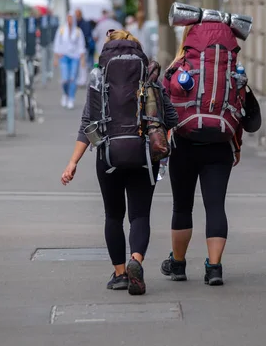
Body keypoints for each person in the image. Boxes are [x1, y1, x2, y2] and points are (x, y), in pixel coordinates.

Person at [61, 30, 178, 296]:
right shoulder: (149, 76)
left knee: (113, 216)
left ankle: (120, 274)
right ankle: (136, 259)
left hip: (108, 155)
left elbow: (87, 124)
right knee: (139, 215)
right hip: (143, 155)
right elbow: (170, 116)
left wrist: (72, 163)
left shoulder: (99, 77)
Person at [160, 22, 245, 287]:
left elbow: (164, 107)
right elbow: (240, 109)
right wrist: (236, 144)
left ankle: (178, 264)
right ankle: (215, 267)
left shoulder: (178, 68)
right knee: (215, 206)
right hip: (220, 144)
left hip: (184, 145)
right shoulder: (231, 70)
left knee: (182, 206)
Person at [53, 12, 85, 109]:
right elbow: (57, 43)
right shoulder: (62, 30)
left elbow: (81, 45)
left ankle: (71, 97)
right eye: (68, 18)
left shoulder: (78, 31)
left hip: (75, 57)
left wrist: (82, 59)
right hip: (64, 56)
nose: (70, 20)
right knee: (65, 79)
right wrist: (56, 58)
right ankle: (65, 94)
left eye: (71, 18)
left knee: (72, 78)